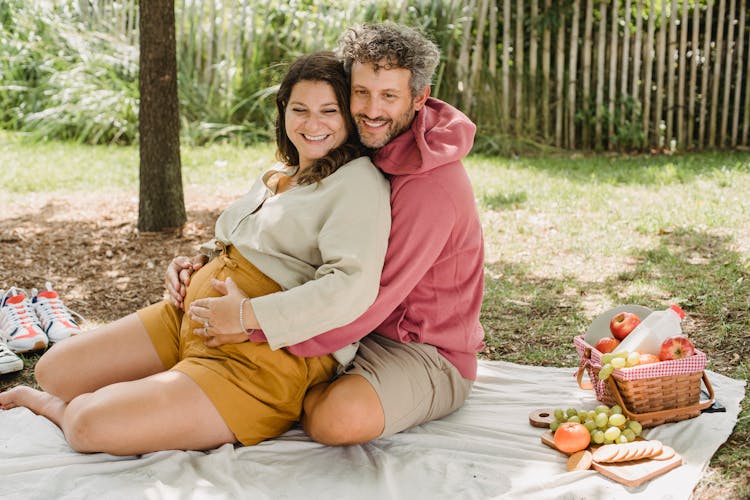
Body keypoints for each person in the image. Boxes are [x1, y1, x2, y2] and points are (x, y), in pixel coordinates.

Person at [0, 51, 391, 455]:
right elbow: (247, 239)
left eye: (329, 110)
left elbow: (350, 289)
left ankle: (75, 409)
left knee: (87, 426)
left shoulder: (357, 182)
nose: (312, 124)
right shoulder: (282, 171)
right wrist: (194, 264)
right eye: (300, 109)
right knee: (54, 370)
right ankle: (160, 396)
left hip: (255, 358)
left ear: (349, 116)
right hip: (189, 317)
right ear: (283, 111)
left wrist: (245, 316)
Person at [191, 23, 486, 445]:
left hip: (423, 350)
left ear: (419, 98)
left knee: (334, 419)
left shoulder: (430, 186)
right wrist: (205, 261)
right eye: (361, 92)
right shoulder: (369, 144)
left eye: (389, 95)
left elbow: (373, 293)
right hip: (353, 331)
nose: (370, 109)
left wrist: (253, 324)